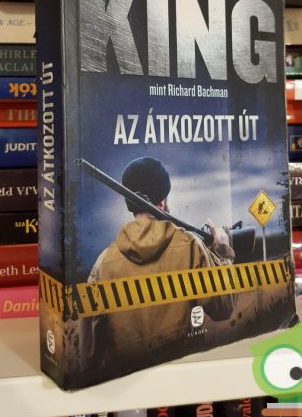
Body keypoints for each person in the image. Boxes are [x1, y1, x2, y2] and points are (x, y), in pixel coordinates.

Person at [79, 156, 236, 373]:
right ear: (162, 201)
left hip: (125, 381)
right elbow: (224, 308)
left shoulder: (103, 262)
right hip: (180, 374)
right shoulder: (191, 246)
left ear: (129, 203)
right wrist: (222, 253)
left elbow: (89, 352)